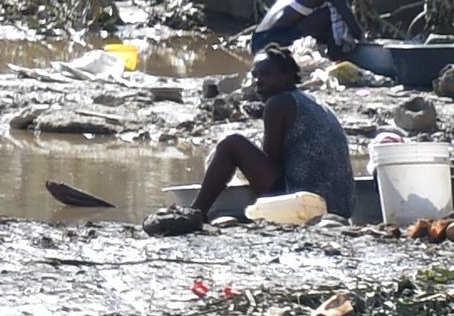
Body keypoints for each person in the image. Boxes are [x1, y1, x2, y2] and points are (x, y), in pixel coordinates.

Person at [151, 47, 356, 234]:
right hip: (342, 206)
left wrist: (238, 165)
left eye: (266, 75)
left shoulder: (279, 102)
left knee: (232, 144)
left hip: (308, 201)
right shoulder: (308, 100)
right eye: (255, 76)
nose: (258, 81)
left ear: (286, 77)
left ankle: (196, 212)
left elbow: (271, 161)